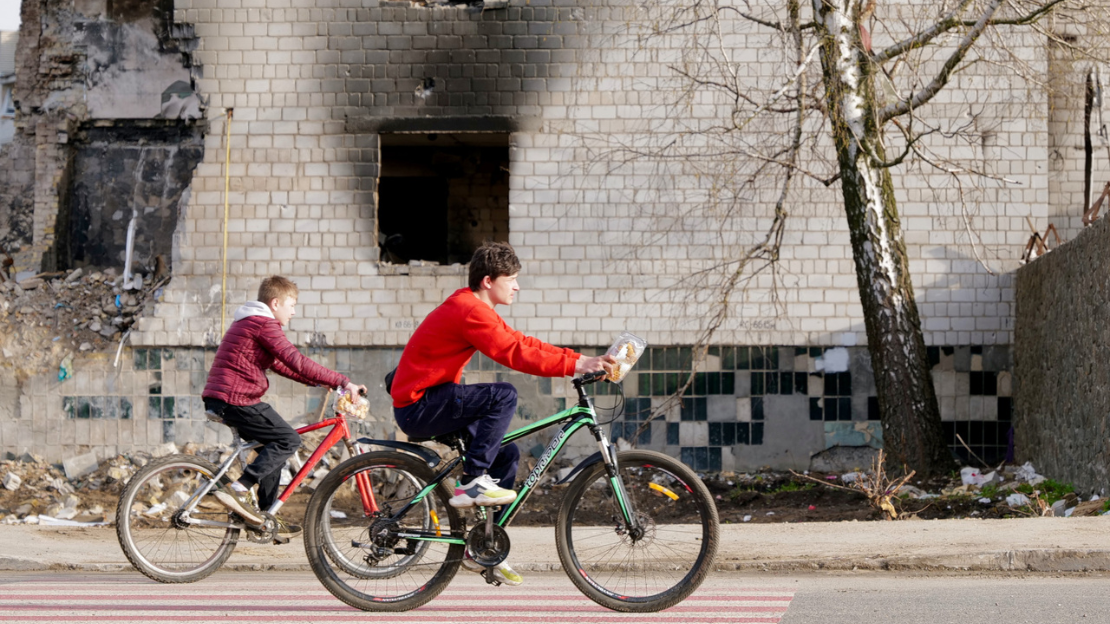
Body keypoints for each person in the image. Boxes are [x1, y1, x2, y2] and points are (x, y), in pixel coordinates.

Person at [390, 241, 614, 585]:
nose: (517, 286)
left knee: (507, 454)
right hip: (420, 405)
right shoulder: (469, 310)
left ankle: (485, 547)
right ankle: (471, 483)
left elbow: (523, 342)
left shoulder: (476, 307)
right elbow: (514, 353)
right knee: (503, 395)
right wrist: (577, 364)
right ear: (488, 281)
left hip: (431, 400)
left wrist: (578, 359)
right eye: (511, 279)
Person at [203, 276, 367, 536]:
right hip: (236, 399)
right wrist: (343, 381)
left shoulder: (250, 322)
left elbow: (282, 365)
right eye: (291, 305)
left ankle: (265, 518)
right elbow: (296, 359)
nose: (293, 311)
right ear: (275, 303)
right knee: (288, 440)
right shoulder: (263, 324)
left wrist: (320, 383)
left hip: (225, 397)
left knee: (273, 446)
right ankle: (239, 488)